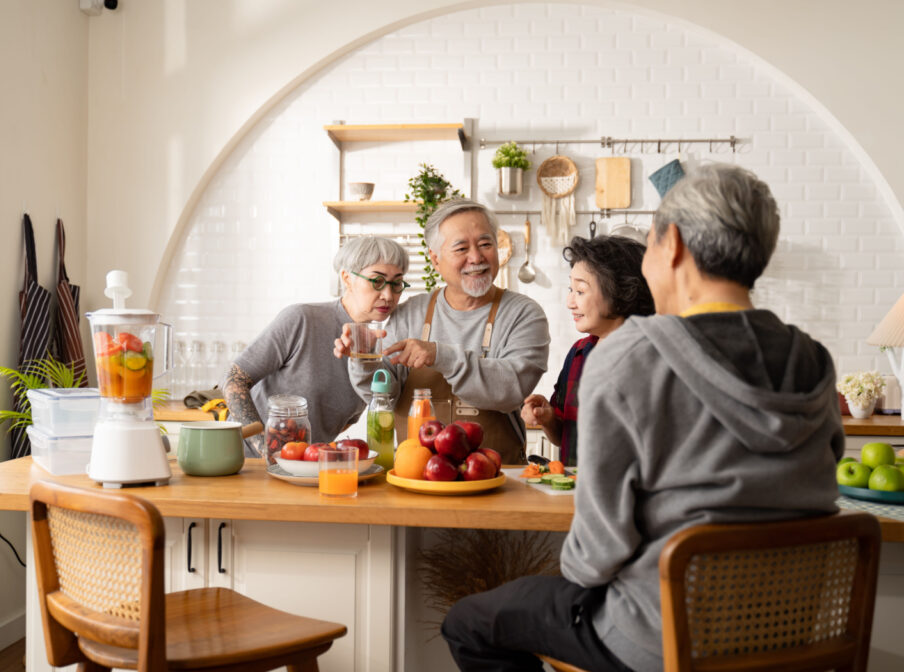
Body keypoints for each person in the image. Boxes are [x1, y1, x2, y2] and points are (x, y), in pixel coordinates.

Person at [442, 164, 844, 672]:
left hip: (663, 636)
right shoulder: (811, 358)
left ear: (670, 244)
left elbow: (594, 557)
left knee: (469, 623)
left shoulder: (629, 356)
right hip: (791, 633)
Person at [335, 198, 550, 465]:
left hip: (498, 478)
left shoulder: (523, 314)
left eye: (485, 244)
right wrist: (364, 357)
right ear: (435, 260)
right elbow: (384, 398)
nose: (476, 257)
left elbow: (511, 389)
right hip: (417, 476)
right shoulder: (410, 314)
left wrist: (440, 356)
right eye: (461, 248)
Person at [224, 236, 410, 457]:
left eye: (396, 284)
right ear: (347, 278)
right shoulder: (301, 319)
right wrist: (262, 447)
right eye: (377, 281)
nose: (388, 295)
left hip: (305, 468)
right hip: (244, 461)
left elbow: (344, 421)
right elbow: (233, 380)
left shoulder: (380, 347)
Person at [521, 235, 654, 466]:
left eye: (580, 291)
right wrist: (549, 419)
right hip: (578, 493)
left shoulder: (650, 358)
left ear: (622, 291)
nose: (570, 302)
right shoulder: (579, 353)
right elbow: (564, 440)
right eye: (571, 289)